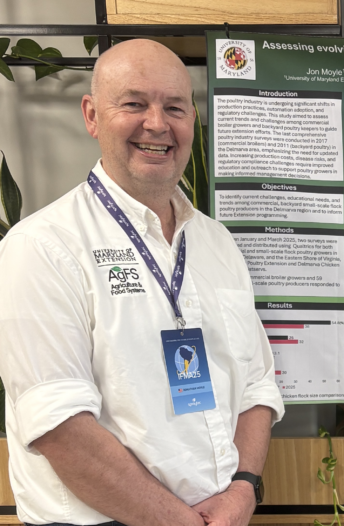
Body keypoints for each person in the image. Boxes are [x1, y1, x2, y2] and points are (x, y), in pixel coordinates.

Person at [0, 39, 284, 526]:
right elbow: (59, 428)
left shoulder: (216, 243)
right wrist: (180, 522)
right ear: (91, 115)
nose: (157, 124)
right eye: (133, 103)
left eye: (175, 106)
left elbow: (257, 385)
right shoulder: (42, 247)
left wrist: (244, 489)